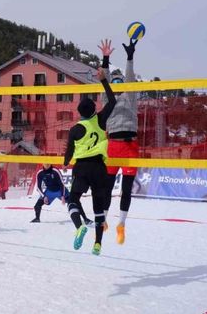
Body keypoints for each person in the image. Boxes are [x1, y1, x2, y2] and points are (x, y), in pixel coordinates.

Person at [63, 39, 117, 256]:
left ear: (79, 113)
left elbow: (68, 151)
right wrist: (104, 80)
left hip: (82, 167)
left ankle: (79, 226)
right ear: (94, 110)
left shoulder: (75, 128)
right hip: (100, 169)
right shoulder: (101, 120)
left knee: (73, 200)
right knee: (98, 208)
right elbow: (112, 101)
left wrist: (66, 163)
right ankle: (97, 244)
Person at [103, 38, 139, 245]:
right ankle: (104, 220)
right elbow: (104, 79)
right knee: (106, 188)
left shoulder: (130, 96)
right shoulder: (107, 99)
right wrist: (106, 58)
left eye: (119, 81)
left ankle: (122, 224)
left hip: (130, 145)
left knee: (126, 189)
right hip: (113, 147)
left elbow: (131, 78)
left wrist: (130, 57)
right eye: (114, 82)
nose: (117, 83)